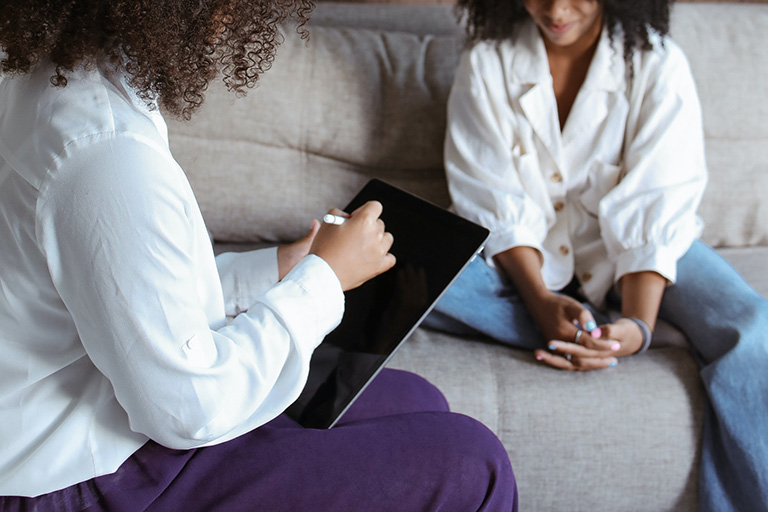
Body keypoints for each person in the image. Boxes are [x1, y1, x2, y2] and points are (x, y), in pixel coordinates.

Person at [0, 1, 518, 510]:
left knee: (417, 401)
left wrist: (286, 265)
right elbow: (186, 410)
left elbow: (130, 291)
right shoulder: (106, 157)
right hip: (84, 477)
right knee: (476, 462)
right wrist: (324, 279)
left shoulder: (53, 80)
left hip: (101, 414)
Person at [423, 0, 768, 510]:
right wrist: (540, 300)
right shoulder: (487, 62)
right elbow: (494, 200)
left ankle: (605, 328)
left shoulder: (656, 63)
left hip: (642, 263)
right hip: (524, 269)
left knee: (753, 328)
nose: (556, 9)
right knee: (409, 269)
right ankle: (575, 327)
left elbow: (659, 199)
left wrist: (638, 326)